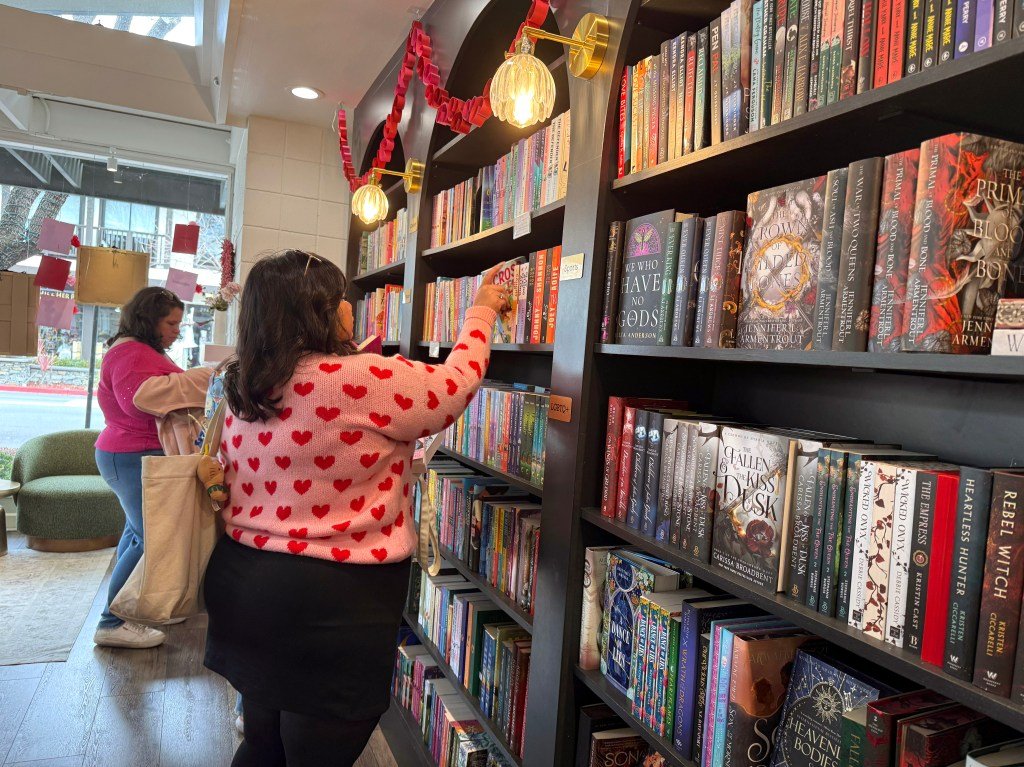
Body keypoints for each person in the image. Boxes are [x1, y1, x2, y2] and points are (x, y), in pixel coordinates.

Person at [203, 250, 508, 767]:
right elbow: (454, 386)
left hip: (244, 585)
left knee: (261, 745)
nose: (350, 307)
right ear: (317, 309)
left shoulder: (240, 383)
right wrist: (480, 310)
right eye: (340, 298)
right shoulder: (364, 379)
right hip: (334, 602)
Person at [93, 287, 213, 649]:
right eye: (171, 322)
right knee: (151, 538)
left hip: (127, 453)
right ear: (149, 321)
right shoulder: (131, 354)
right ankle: (111, 621)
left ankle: (129, 611)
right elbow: (138, 403)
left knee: (136, 534)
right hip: (132, 455)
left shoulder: (135, 350)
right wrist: (204, 377)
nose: (178, 329)